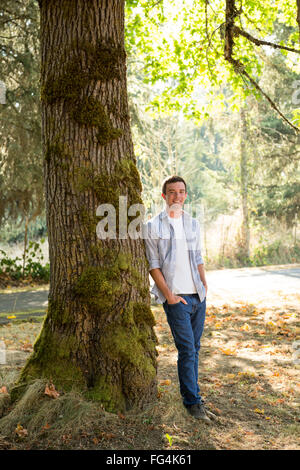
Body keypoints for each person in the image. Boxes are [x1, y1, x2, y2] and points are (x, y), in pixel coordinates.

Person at [143, 175, 216, 423]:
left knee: (194, 349)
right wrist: (170, 296)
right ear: (164, 196)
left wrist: (204, 284)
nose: (177, 196)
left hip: (198, 296)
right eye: (172, 192)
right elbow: (153, 266)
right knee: (186, 349)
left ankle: (194, 396)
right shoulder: (152, 226)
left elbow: (198, 257)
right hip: (177, 300)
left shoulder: (193, 223)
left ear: (186, 195)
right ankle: (192, 402)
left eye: (181, 191)